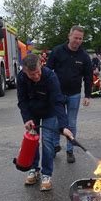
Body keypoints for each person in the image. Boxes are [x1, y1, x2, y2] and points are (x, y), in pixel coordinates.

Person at [17, 54, 73, 191]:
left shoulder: (50, 77)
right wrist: (27, 118)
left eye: (37, 72)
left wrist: (63, 126)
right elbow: (22, 100)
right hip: (32, 112)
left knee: (47, 141)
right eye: (31, 74)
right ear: (25, 71)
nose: (36, 76)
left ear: (40, 65)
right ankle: (34, 169)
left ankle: (46, 174)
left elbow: (58, 102)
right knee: (32, 140)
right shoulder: (21, 77)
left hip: (50, 112)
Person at [46, 25, 92, 163]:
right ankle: (55, 146)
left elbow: (88, 77)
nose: (77, 41)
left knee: (71, 123)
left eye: (80, 39)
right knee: (55, 122)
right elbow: (47, 71)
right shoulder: (57, 51)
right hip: (57, 94)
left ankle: (70, 150)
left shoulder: (84, 56)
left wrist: (88, 95)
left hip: (74, 94)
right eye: (75, 37)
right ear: (69, 36)